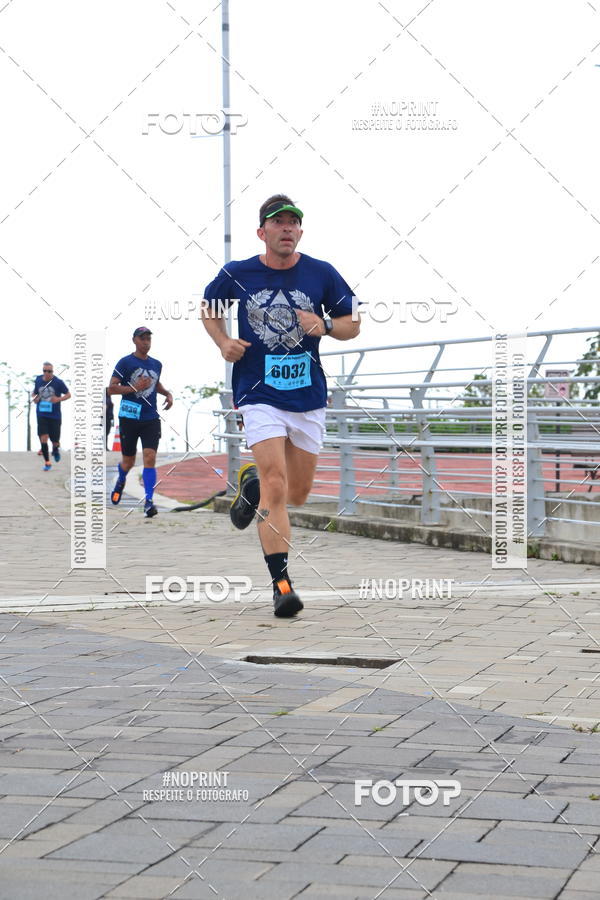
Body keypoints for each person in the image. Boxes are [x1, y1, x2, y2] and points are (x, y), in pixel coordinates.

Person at [202, 195, 360, 617]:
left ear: (300, 233)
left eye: (293, 223)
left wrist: (325, 325)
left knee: (298, 494)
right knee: (277, 485)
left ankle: (250, 483)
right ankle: (282, 585)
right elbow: (209, 311)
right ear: (263, 232)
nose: (286, 228)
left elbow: (353, 323)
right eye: (278, 223)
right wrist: (223, 342)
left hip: (307, 396)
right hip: (258, 392)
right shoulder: (237, 274)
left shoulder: (322, 273)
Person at [108, 327, 173, 518]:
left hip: (150, 418)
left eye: (148, 339)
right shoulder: (125, 362)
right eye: (142, 339)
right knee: (128, 462)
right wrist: (134, 387)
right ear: (134, 340)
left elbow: (155, 383)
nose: (146, 342)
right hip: (129, 418)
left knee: (150, 457)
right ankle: (121, 479)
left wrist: (167, 393)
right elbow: (111, 388)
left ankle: (149, 501)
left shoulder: (157, 364)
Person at [32, 362, 71, 471]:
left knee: (55, 441)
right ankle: (47, 462)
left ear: (53, 372)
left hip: (55, 416)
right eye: (45, 370)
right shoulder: (38, 380)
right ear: (42, 370)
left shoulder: (58, 382)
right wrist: (35, 398)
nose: (47, 373)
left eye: (49, 371)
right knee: (43, 438)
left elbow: (68, 395)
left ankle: (55, 449)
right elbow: (34, 393)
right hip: (41, 414)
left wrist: (58, 399)